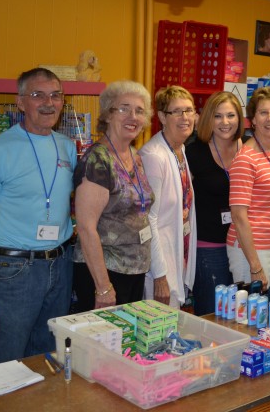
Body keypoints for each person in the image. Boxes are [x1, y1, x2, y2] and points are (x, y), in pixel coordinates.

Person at [0, 68, 76, 365]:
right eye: (38, 95)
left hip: (61, 266)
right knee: (5, 362)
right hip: (15, 271)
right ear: (20, 102)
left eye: (55, 95)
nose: (48, 103)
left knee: (48, 358)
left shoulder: (67, 146)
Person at [72, 80, 154, 312]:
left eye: (139, 111)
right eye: (124, 108)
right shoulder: (97, 161)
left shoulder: (134, 155)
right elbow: (86, 228)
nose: (133, 116)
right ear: (108, 115)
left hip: (134, 269)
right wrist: (103, 287)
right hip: (106, 273)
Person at [185, 91, 244, 316]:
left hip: (242, 245)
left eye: (231, 115)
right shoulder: (194, 152)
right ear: (208, 118)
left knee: (239, 314)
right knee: (212, 315)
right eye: (218, 116)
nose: (225, 122)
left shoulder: (247, 149)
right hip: (209, 248)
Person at [139, 85, 197, 309]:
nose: (185, 117)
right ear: (162, 117)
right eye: (177, 112)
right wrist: (159, 276)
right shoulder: (154, 156)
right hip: (159, 266)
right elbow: (149, 220)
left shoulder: (179, 150)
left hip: (177, 255)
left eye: (189, 110)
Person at [227, 87, 270, 287]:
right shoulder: (246, 159)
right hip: (252, 252)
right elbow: (238, 215)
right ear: (253, 120)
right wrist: (255, 266)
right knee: (249, 317)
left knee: (269, 314)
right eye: (263, 113)